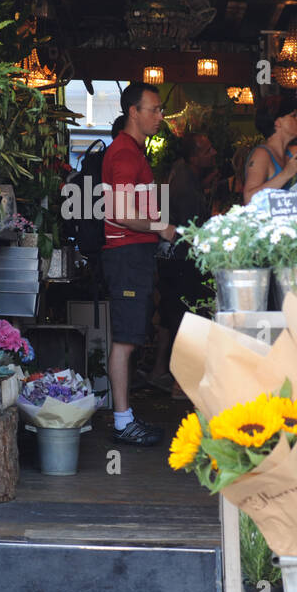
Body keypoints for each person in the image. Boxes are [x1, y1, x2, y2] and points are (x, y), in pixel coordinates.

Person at [102, 82, 175, 446]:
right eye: (155, 109)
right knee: (126, 341)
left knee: (130, 338)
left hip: (133, 254)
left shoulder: (131, 151)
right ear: (134, 111)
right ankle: (120, 420)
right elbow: (120, 213)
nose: (160, 116)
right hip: (127, 255)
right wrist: (163, 228)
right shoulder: (125, 154)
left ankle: (124, 416)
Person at [149, 132, 216, 395]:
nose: (213, 153)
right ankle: (180, 381)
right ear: (195, 157)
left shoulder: (182, 174)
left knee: (171, 314)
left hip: (170, 258)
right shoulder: (186, 186)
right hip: (182, 258)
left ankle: (160, 371)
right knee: (186, 317)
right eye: (207, 149)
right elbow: (190, 229)